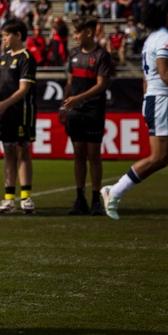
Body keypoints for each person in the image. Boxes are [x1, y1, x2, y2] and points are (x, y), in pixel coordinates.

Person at [101, 0, 168, 222]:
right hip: (163, 100)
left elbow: (147, 77)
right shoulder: (165, 39)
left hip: (164, 100)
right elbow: (166, 75)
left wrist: (147, 100)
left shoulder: (156, 38)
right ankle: (114, 191)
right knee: (160, 158)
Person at [61, 15, 111, 216]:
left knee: (94, 155)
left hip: (93, 111)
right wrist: (64, 106)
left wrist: (78, 99)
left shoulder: (101, 55)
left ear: (88, 32)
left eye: (77, 32)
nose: (74, 36)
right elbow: (70, 83)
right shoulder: (73, 54)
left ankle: (95, 199)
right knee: (78, 154)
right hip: (75, 111)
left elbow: (102, 85)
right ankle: (80, 198)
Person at [0, 18, 37, 215]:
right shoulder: (3, 59)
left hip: (22, 113)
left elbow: (24, 89)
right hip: (5, 114)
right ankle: (9, 198)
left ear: (18, 35)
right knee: (8, 152)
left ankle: (26, 197)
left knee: (23, 152)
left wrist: (4, 105)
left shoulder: (26, 57)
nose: (3, 39)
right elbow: (1, 90)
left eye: (6, 35)